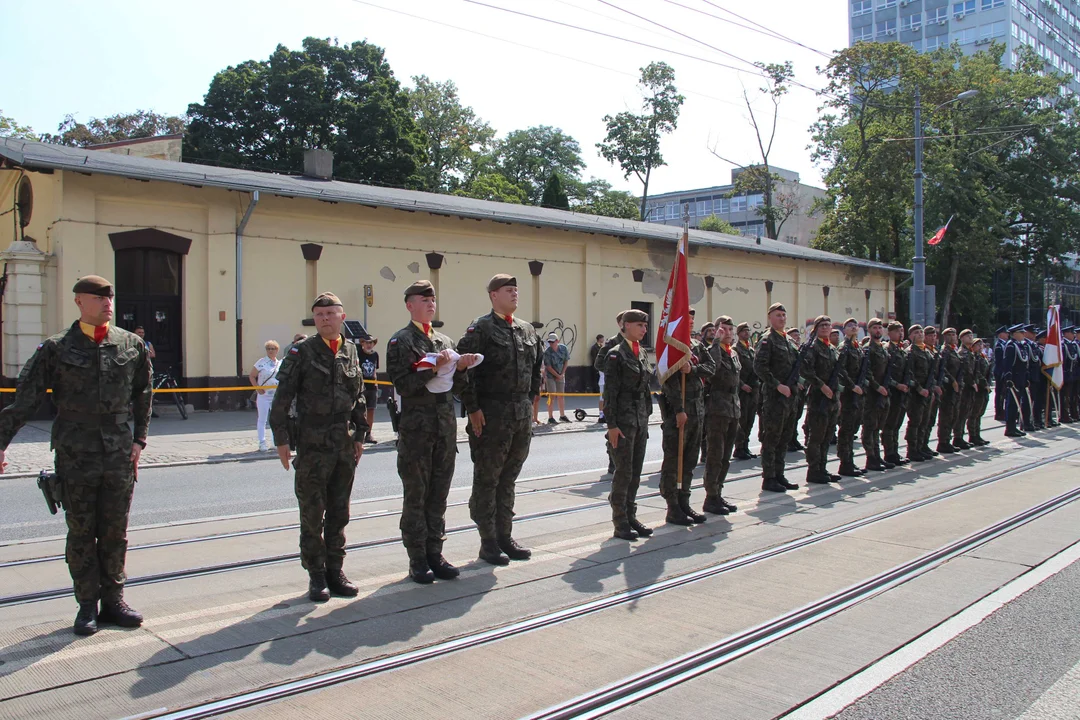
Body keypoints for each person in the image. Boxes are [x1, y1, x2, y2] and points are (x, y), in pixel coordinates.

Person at [0, 275, 152, 635]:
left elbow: (143, 395)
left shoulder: (131, 345)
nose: (107, 304)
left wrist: (139, 441)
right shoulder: (56, 348)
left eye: (110, 298)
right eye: (99, 298)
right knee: (82, 531)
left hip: (117, 451)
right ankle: (87, 605)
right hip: (75, 451)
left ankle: (114, 600)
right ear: (79, 302)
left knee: (115, 530)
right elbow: (26, 399)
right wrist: (2, 441)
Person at [269, 292, 367, 602]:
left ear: (342, 316)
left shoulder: (350, 350)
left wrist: (361, 435)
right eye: (319, 314)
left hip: (343, 444)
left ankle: (336, 571)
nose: (325, 318)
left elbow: (359, 396)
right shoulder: (302, 352)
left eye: (330, 313)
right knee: (312, 513)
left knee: (340, 512)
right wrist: (282, 439)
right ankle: (316, 575)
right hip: (312, 443)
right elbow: (282, 398)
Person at [387, 280, 478, 584]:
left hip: (444, 426)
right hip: (417, 428)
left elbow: (457, 389)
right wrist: (433, 369)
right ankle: (417, 559)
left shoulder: (445, 341)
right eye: (422, 300)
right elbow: (403, 385)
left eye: (432, 299)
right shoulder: (401, 341)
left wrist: (461, 368)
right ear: (409, 305)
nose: (429, 304)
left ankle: (435, 552)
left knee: (439, 495)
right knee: (416, 494)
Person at [458, 274, 542, 564]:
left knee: (508, 479)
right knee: (487, 479)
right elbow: (464, 371)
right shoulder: (481, 328)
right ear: (494, 295)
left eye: (516, 290)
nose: (515, 294)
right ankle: (488, 540)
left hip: (519, 416)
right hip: (491, 415)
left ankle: (505, 535)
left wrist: (531, 403)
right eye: (509, 290)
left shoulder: (527, 330)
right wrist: (473, 409)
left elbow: (536, 369)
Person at [603, 309, 655, 539]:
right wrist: (611, 425)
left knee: (635, 472)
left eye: (645, 326)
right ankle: (620, 521)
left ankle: (631, 515)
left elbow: (645, 389)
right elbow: (610, 393)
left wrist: (647, 416)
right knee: (623, 472)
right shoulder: (616, 354)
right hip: (623, 421)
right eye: (640, 325)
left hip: (640, 419)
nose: (644, 329)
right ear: (626, 326)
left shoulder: (642, 353)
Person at [659, 318, 715, 525]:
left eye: (692, 320)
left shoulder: (697, 345)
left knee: (690, 460)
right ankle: (672, 506)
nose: (690, 323)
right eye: (686, 319)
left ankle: (684, 502)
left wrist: (692, 369)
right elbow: (667, 381)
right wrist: (679, 410)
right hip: (679, 412)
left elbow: (711, 367)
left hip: (697, 410)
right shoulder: (670, 346)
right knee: (674, 461)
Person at [753, 303, 802, 493]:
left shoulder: (789, 340)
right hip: (775, 397)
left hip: (791, 397)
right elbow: (760, 368)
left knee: (785, 437)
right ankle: (769, 477)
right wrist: (778, 385)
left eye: (783, 315)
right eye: (778, 315)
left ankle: (780, 474)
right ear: (770, 318)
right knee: (772, 438)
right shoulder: (767, 340)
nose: (782, 318)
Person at [702, 316, 741, 515]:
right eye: (722, 329)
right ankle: (710, 497)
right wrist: (716, 341)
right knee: (715, 455)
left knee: (726, 456)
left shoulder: (733, 353)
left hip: (733, 408)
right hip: (717, 409)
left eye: (729, 329)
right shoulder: (713, 351)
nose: (727, 332)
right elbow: (713, 370)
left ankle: (718, 493)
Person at [801, 316, 843, 484]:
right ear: (816, 328)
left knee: (827, 435)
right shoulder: (812, 348)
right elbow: (806, 370)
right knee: (816, 436)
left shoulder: (832, 349)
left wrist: (837, 396)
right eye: (822, 325)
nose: (825, 328)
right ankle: (813, 470)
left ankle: (822, 467)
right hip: (819, 397)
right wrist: (821, 386)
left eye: (828, 325)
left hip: (832, 398)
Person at [594, 312, 627, 474]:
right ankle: (612, 461)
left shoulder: (635, 343)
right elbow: (599, 363)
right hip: (615, 393)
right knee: (613, 428)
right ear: (621, 323)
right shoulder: (612, 343)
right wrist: (616, 373)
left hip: (631, 396)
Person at [836, 318, 867, 477]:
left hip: (858, 393)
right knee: (846, 429)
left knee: (853, 427)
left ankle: (850, 460)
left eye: (855, 325)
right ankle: (845, 462)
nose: (854, 327)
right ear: (844, 330)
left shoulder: (858, 348)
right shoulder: (844, 348)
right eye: (849, 326)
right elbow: (841, 371)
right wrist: (852, 386)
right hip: (849, 394)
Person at [861, 318, 892, 472]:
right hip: (872, 394)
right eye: (875, 328)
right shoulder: (867, 349)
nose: (878, 330)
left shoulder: (883, 349)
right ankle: (871, 458)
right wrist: (877, 387)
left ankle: (877, 456)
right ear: (869, 330)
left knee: (878, 426)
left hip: (883, 392)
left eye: (880, 328)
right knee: (870, 426)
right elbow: (867, 372)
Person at [904, 325, 934, 462]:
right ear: (910, 336)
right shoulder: (910, 352)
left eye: (921, 332)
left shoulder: (927, 351)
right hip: (916, 393)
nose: (920, 334)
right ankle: (912, 449)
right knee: (915, 421)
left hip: (927, 391)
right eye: (916, 332)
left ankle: (921, 446)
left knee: (924, 421)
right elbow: (909, 374)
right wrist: (919, 388)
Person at [882, 322, 910, 466]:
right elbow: (885, 373)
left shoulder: (901, 350)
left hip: (902, 392)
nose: (901, 333)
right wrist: (896, 385)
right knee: (890, 424)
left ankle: (895, 451)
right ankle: (889, 453)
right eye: (898, 331)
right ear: (890, 333)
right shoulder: (888, 349)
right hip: (892, 391)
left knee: (897, 424)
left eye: (902, 330)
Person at [733, 322, 759, 460]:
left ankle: (745, 445)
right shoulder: (735, 350)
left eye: (748, 331)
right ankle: (739, 447)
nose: (746, 333)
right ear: (738, 334)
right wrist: (742, 385)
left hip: (753, 389)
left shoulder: (751, 350)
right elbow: (734, 371)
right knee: (742, 420)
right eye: (743, 331)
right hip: (742, 390)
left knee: (750, 419)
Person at [249, 340, 281, 451]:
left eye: (273, 349)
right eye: (268, 349)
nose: (271, 351)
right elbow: (252, 376)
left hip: (275, 394)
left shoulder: (279, 363)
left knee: (276, 419)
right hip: (264, 395)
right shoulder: (261, 362)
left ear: (277, 350)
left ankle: (274, 441)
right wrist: (258, 388)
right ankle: (262, 442)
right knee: (262, 419)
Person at [935, 328, 964, 454]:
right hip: (948, 388)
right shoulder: (945, 351)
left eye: (954, 334)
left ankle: (948, 440)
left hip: (956, 388)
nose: (953, 337)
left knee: (953, 414)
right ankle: (943, 442)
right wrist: (952, 381)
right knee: (946, 415)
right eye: (950, 335)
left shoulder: (954, 350)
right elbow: (943, 369)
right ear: (945, 337)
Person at [1002, 324, 1029, 438]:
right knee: (1012, 404)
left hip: (1020, 379)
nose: (1024, 334)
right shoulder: (1011, 346)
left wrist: (1026, 378)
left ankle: (1014, 426)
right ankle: (1010, 427)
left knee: (1017, 404)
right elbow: (1008, 364)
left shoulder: (1020, 346)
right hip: (1014, 380)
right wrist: (1008, 378)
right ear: (1014, 334)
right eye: (1021, 333)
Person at [919, 326, 942, 460]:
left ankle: (924, 444)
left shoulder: (933, 351)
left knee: (930, 419)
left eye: (934, 336)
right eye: (930, 336)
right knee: (921, 421)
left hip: (932, 389)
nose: (933, 338)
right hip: (924, 390)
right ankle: (918, 446)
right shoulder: (924, 351)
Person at [954, 329, 980, 447]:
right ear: (962, 338)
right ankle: (958, 437)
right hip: (965, 387)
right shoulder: (963, 353)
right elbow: (967, 370)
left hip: (969, 387)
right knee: (962, 413)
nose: (970, 337)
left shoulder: (969, 352)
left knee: (966, 412)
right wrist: (972, 382)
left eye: (971, 335)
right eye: (967, 336)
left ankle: (963, 436)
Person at [966, 338, 992, 445]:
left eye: (981, 344)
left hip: (984, 388)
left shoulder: (982, 357)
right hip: (979, 388)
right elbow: (977, 373)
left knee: (980, 413)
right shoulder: (975, 358)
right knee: (974, 413)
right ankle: (973, 435)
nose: (980, 346)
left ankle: (977, 434)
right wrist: (984, 384)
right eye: (977, 345)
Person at [543, 333, 571, 424]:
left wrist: (562, 374)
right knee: (552, 396)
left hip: (561, 373)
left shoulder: (563, 348)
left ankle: (562, 415)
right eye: (549, 342)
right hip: (551, 376)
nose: (551, 343)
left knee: (561, 395)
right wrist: (557, 376)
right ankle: (550, 417)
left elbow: (566, 361)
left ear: (557, 341)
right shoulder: (547, 352)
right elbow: (548, 367)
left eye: (552, 341)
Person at [358, 336, 380, 444]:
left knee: (371, 410)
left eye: (371, 343)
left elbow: (375, 369)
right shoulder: (358, 353)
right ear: (362, 344)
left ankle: (368, 434)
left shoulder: (375, 355)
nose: (369, 345)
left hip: (372, 387)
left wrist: (376, 383)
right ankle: (359, 434)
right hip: (361, 386)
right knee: (360, 410)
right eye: (366, 342)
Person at [993, 326, 1009, 421]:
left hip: (1003, 371)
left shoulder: (1005, 344)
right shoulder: (999, 345)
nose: (1007, 335)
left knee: (1004, 393)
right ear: (1000, 334)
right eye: (1005, 333)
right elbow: (1000, 361)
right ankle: (999, 412)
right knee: (999, 393)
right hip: (1000, 372)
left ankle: (1002, 411)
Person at [589, 333, 605, 404]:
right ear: (599, 339)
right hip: (596, 365)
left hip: (601, 366)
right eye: (602, 338)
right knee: (596, 378)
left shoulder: (601, 346)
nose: (603, 340)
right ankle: (595, 390)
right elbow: (594, 356)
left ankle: (599, 390)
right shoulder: (594, 347)